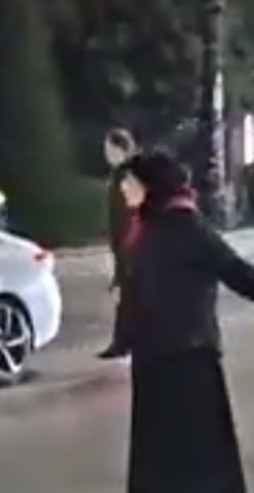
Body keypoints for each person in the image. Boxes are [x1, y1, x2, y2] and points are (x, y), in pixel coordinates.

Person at [115, 151, 254, 493]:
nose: (123, 190)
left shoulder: (189, 228)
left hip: (191, 354)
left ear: (151, 184)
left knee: (202, 450)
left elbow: (242, 276)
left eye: (130, 181)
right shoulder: (146, 228)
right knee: (160, 451)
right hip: (153, 355)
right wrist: (125, 338)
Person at [99, 128, 139, 359]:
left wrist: (129, 245)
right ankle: (124, 342)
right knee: (131, 296)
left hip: (132, 244)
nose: (107, 154)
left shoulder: (129, 176)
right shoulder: (118, 175)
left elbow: (133, 211)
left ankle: (123, 342)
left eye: (110, 149)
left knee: (133, 297)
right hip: (123, 243)